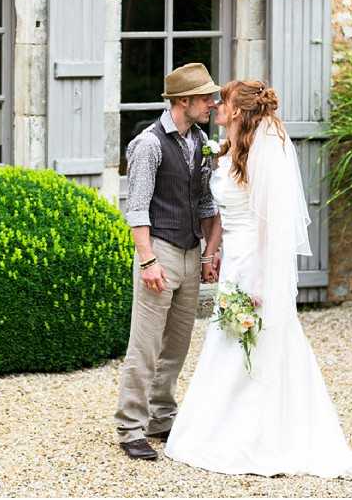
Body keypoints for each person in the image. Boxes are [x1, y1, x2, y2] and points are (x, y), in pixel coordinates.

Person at [165, 80, 352, 481]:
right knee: (226, 344)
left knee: (254, 341)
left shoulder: (263, 154)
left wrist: (259, 283)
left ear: (238, 111)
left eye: (225, 100)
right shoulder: (230, 150)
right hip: (233, 259)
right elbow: (224, 215)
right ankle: (218, 426)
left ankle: (259, 434)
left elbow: (270, 228)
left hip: (253, 265)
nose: (216, 104)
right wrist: (215, 253)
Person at [114, 62, 223, 460]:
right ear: (182, 101)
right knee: (144, 345)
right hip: (159, 251)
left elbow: (207, 201)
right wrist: (147, 262)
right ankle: (130, 428)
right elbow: (137, 209)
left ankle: (161, 418)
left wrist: (210, 253)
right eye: (206, 98)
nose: (213, 103)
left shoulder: (199, 140)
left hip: (192, 253)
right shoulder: (149, 144)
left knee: (176, 345)